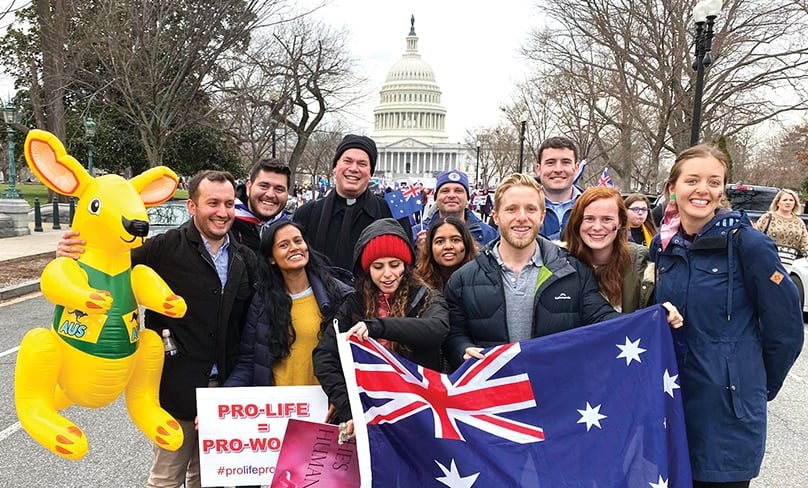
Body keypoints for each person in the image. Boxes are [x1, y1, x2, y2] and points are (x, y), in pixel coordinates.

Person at [57, 170, 257, 488]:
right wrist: (73, 252)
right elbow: (109, 263)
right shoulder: (164, 247)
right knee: (166, 478)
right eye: (213, 203)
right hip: (176, 386)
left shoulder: (244, 257)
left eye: (229, 204)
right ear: (192, 206)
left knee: (210, 480)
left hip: (223, 390)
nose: (223, 212)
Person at [651, 144, 804, 487]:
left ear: (722, 190)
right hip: (673, 405)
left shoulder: (749, 245)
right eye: (692, 180)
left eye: (714, 181)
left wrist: (753, 384)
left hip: (727, 416)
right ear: (672, 187)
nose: (703, 189)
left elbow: (787, 331)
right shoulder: (665, 247)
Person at [443, 173, 621, 370]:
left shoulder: (573, 271)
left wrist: (656, 318)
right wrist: (463, 350)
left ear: (542, 216)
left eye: (530, 209)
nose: (521, 218)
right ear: (496, 216)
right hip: (493, 393)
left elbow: (604, 320)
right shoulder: (462, 279)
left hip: (555, 391)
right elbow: (454, 334)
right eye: (511, 209)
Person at [313, 218, 449, 435]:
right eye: (378, 267)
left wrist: (378, 327)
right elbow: (325, 356)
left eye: (394, 265)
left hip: (420, 411)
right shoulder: (353, 303)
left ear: (406, 265)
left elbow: (436, 329)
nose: (387, 274)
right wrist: (350, 408)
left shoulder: (427, 296)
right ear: (367, 269)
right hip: (370, 410)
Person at [224, 220, 352, 389]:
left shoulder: (338, 296)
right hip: (279, 408)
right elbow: (248, 361)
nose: (294, 248)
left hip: (327, 408)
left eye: (298, 241)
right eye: (284, 245)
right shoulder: (261, 301)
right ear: (271, 258)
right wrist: (218, 402)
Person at [294, 134, 406, 271]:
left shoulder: (391, 213)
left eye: (362, 164)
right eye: (347, 161)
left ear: (370, 173)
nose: (354, 168)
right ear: (335, 167)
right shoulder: (306, 215)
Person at [564, 187, 654, 312]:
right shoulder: (558, 262)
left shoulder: (641, 264)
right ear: (577, 222)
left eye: (607, 219)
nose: (597, 227)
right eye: (589, 219)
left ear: (621, 222)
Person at [412, 169, 498, 250]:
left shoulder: (488, 234)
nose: (451, 195)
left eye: (458, 191)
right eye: (445, 191)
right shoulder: (415, 233)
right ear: (436, 198)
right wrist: (420, 253)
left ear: (467, 198)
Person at [232, 158, 291, 252]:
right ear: (248, 188)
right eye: (264, 186)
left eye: (279, 189)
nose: (270, 194)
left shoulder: (293, 231)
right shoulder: (227, 225)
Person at [535, 136, 582, 240]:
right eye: (550, 162)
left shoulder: (591, 207)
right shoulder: (521, 209)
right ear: (538, 169)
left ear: (576, 168)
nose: (558, 169)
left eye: (566, 162)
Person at [414, 215, 478, 291]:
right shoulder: (416, 284)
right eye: (440, 241)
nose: (448, 246)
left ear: (466, 244)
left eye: (455, 240)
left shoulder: (482, 279)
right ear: (430, 247)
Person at [753, 188, 808, 271]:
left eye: (791, 200)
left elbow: (805, 245)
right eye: (785, 200)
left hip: (787, 267)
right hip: (766, 263)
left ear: (795, 203)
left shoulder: (799, 222)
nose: (788, 202)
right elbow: (754, 237)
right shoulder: (768, 217)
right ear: (778, 202)